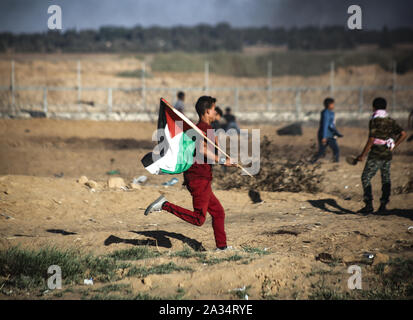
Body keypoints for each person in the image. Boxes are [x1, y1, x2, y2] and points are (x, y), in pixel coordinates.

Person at [144, 96, 236, 251]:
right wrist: (222, 160)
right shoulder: (202, 129)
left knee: (218, 213)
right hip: (198, 179)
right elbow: (202, 150)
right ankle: (164, 205)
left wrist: (224, 159)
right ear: (207, 111)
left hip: (203, 178)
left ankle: (222, 247)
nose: (216, 112)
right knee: (199, 219)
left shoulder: (205, 128)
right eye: (214, 109)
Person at [357, 97, 407, 214]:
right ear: (385, 107)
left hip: (376, 154)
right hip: (387, 154)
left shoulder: (374, 120)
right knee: (385, 179)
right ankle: (383, 205)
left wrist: (362, 155)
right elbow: (403, 134)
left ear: (373, 107)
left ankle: (369, 204)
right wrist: (394, 146)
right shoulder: (390, 120)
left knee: (365, 177)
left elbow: (371, 139)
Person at [311, 98, 343, 164]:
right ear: (329, 105)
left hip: (330, 135)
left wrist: (337, 133)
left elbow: (332, 125)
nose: (333, 106)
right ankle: (312, 161)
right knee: (324, 150)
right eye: (332, 104)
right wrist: (324, 137)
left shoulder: (331, 113)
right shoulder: (326, 113)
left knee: (334, 149)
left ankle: (335, 161)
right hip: (326, 135)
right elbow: (325, 125)